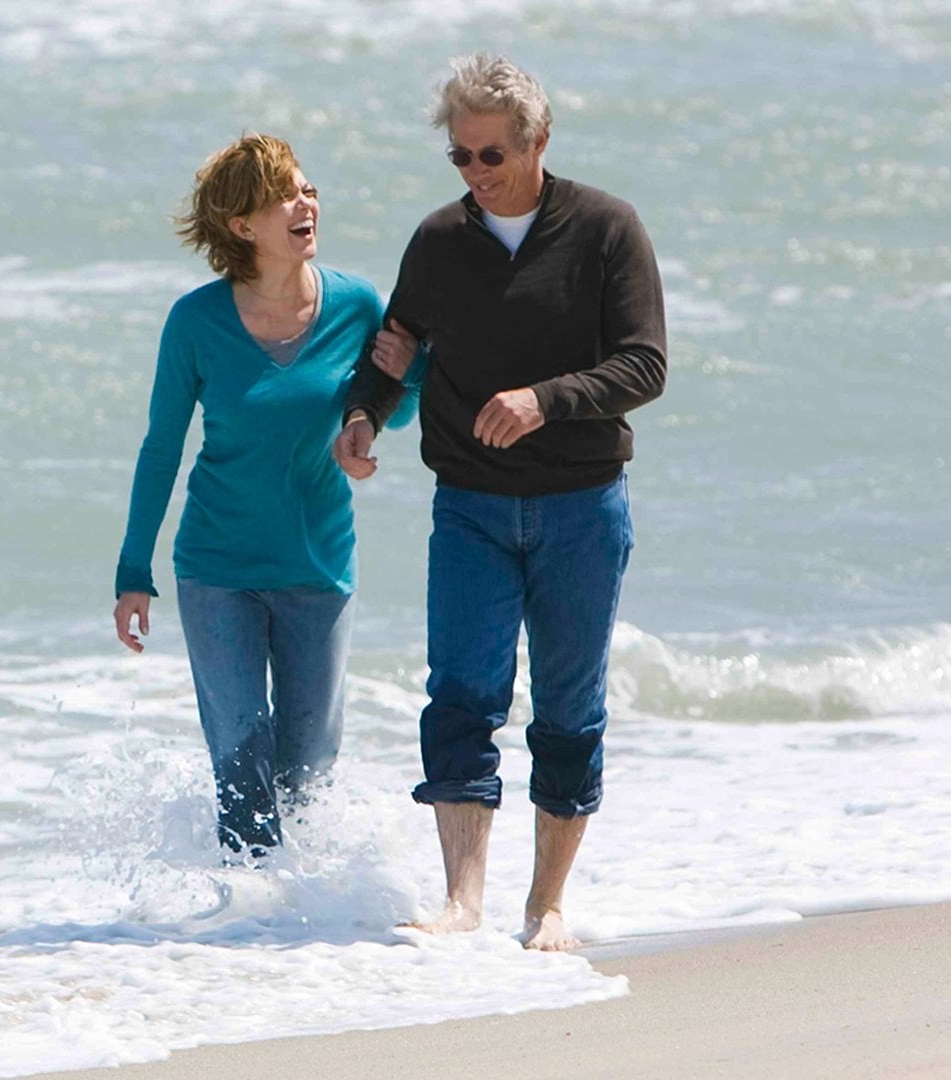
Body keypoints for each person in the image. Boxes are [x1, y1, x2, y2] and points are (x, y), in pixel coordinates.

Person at [336, 54, 666, 949]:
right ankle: (462, 902)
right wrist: (363, 415)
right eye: (460, 156)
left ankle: (546, 905)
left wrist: (543, 401)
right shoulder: (440, 240)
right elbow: (397, 343)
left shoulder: (606, 229)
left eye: (491, 155)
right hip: (470, 507)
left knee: (568, 708)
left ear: (537, 140)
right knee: (460, 696)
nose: (475, 173)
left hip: (581, 506)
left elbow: (645, 365)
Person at [114, 134, 420, 861]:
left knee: (308, 766)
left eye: (307, 189)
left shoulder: (355, 305)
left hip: (318, 563)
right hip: (217, 567)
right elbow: (161, 448)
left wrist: (403, 377)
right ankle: (245, 909)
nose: (305, 203)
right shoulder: (196, 322)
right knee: (243, 759)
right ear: (242, 226)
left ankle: (298, 913)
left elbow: (398, 407)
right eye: (285, 195)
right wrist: (133, 571)